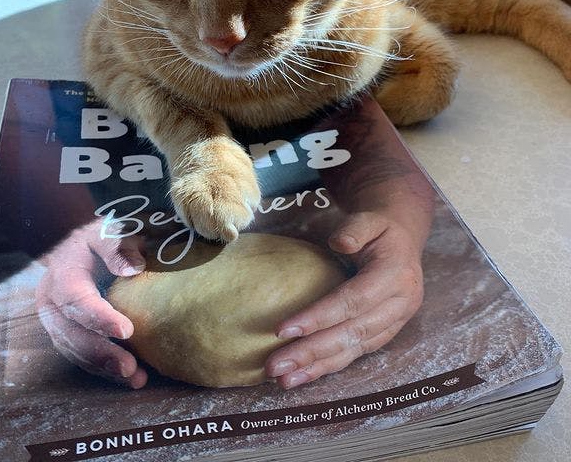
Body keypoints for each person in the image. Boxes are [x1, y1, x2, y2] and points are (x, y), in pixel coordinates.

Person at [36, 96, 432, 390]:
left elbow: (363, 133)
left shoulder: (319, 42)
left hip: (307, 214)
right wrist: (67, 229)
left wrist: (397, 218)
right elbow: (24, 137)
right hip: (132, 226)